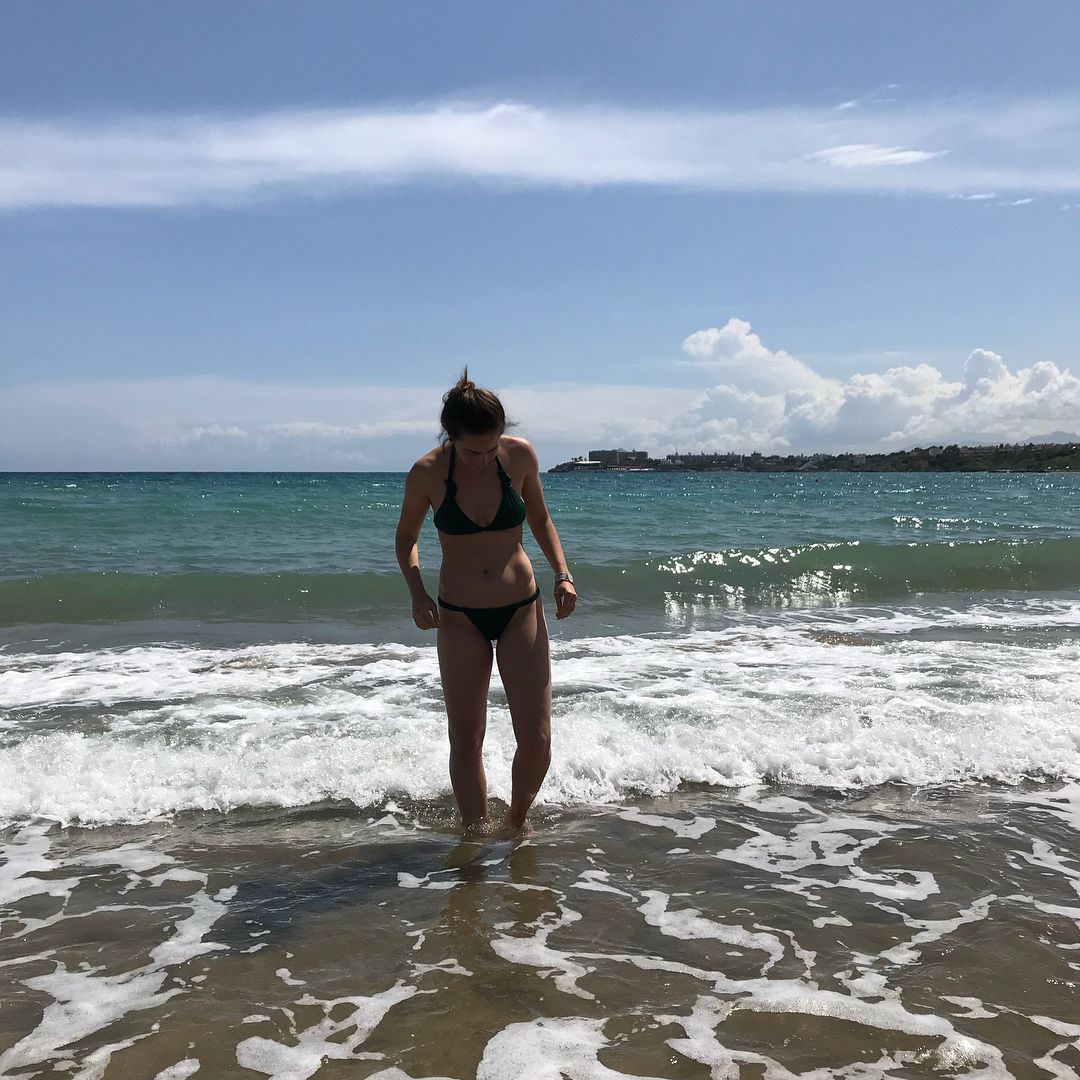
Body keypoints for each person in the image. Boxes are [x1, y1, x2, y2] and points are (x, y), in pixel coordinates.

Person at [395, 372, 577, 834]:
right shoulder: (427, 472)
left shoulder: (521, 456)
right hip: (459, 618)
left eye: (491, 448)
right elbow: (406, 539)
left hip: (520, 609)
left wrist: (562, 573)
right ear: (450, 437)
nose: (483, 459)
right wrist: (416, 592)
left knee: (537, 737)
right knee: (466, 738)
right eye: (473, 452)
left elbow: (540, 519)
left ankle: (516, 825)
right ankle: (475, 836)